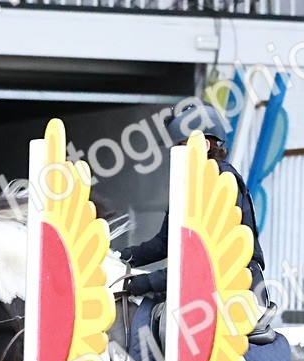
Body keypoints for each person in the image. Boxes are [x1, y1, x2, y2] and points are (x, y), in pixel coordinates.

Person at [118, 102, 276, 344]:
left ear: (206, 144)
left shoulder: (224, 181)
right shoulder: (189, 184)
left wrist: (147, 281)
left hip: (236, 285)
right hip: (204, 284)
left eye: (181, 146)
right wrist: (122, 258)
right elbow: (163, 243)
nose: (175, 156)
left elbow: (207, 263)